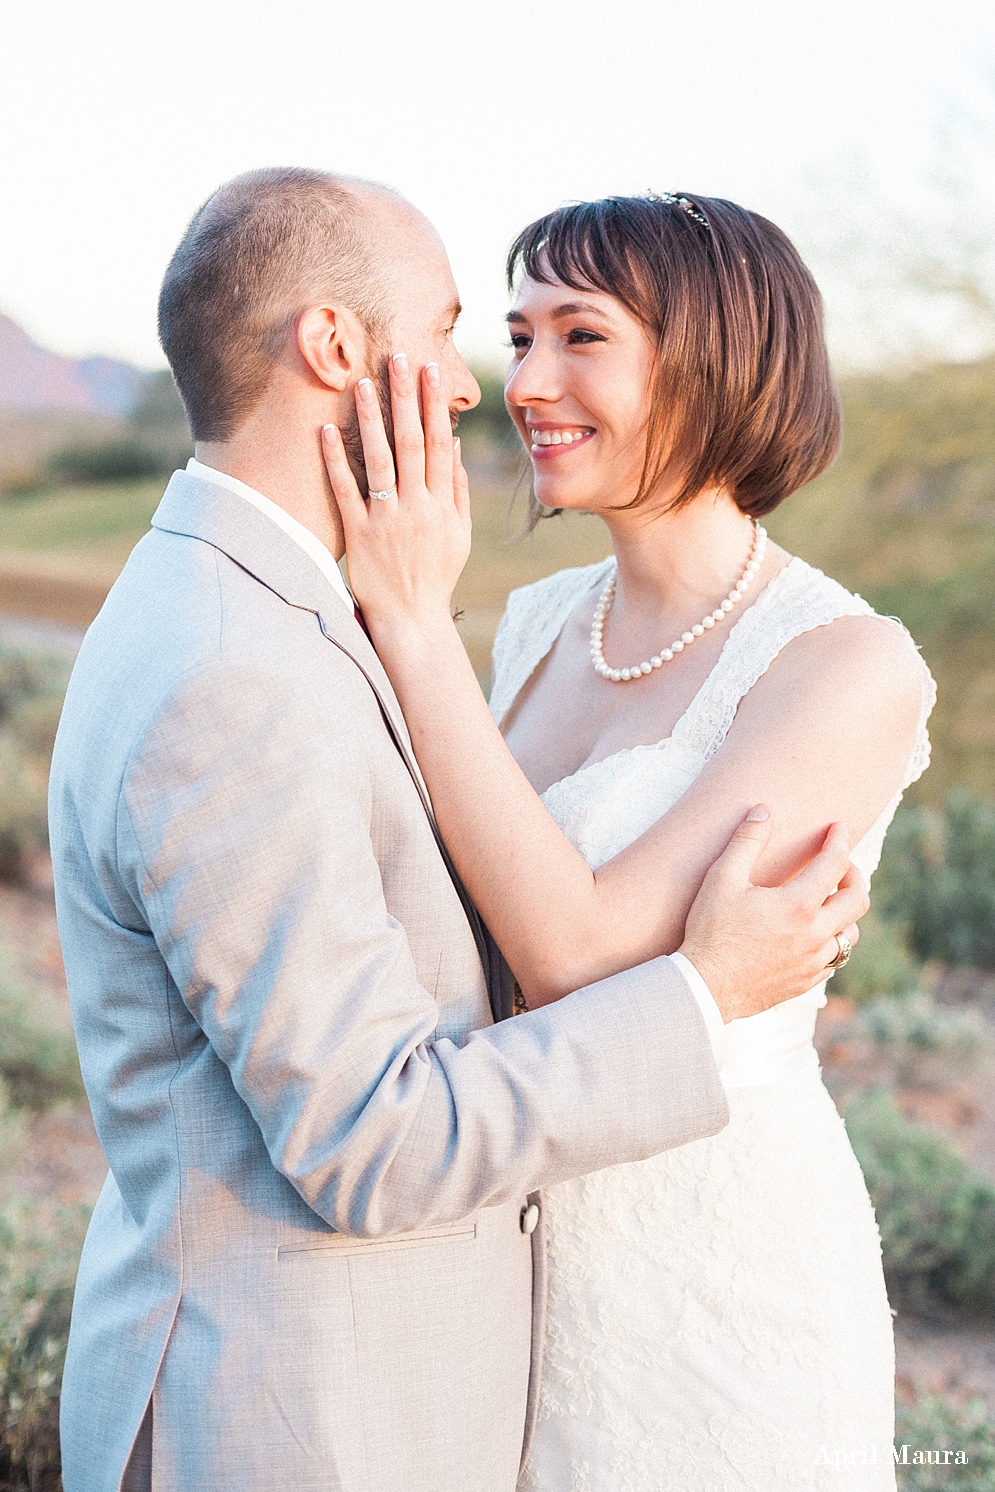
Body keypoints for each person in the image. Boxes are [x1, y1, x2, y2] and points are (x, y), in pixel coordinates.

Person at [51, 170, 866, 1492]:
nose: (486, 381)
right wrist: (706, 993)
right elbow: (376, 1137)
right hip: (301, 1414)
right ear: (334, 349)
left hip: (593, 1325)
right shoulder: (236, 672)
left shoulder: (277, 617)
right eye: (452, 332)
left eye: (575, 333)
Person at [322, 192, 935, 1490]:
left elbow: (575, 956)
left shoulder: (846, 665)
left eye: (578, 336)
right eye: (518, 334)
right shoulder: (542, 621)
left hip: (713, 1286)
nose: (528, 379)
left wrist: (412, 622)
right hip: (501, 1261)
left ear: (714, 358)